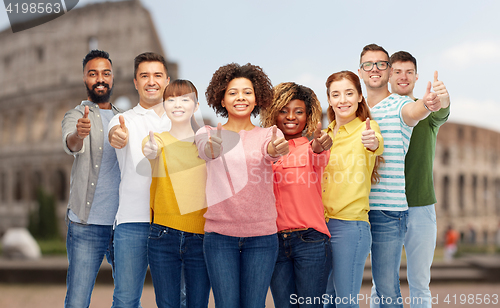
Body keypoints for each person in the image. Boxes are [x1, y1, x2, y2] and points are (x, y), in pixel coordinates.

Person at [194, 63, 289, 308]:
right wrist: (212, 148)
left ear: (257, 98)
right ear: (222, 100)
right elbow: (206, 150)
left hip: (262, 237)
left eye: (247, 92)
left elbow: (271, 152)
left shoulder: (270, 134)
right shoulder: (207, 132)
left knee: (254, 304)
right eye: (233, 92)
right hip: (219, 237)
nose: (241, 97)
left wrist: (274, 150)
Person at [357, 44, 441, 308]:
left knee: (404, 285)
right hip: (362, 207)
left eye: (381, 64)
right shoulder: (356, 110)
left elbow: (414, 113)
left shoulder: (403, 104)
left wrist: (428, 105)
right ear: (361, 71)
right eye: (369, 65)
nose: (375, 69)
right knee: (377, 286)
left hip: (398, 207)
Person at [260, 82, 332, 308]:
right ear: (274, 113)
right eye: (284, 110)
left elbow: (320, 155)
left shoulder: (311, 148)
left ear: (308, 116)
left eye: (298, 111)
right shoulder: (265, 151)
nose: (291, 117)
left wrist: (320, 146)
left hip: (310, 241)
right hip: (274, 243)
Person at [108, 52, 170, 308]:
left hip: (172, 222)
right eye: (144, 75)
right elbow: (115, 134)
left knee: (175, 300)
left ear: (167, 80)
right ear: (135, 82)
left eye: (157, 75)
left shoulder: (181, 120)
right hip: (132, 220)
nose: (151, 81)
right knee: (125, 299)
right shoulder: (123, 120)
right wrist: (118, 136)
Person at [389, 51, 450, 308]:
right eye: (398, 72)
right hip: (385, 206)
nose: (403, 77)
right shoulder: (377, 112)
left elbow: (442, 112)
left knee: (420, 284)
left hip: (421, 205)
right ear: (388, 76)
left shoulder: (426, 110)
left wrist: (443, 99)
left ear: (416, 76)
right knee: (384, 284)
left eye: (409, 72)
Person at [142, 80, 210, 308]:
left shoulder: (206, 145)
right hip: (163, 234)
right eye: (171, 99)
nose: (177, 104)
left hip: (200, 237)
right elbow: (150, 148)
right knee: (167, 304)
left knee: (197, 304)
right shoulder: (158, 140)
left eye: (185, 99)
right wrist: (150, 150)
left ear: (196, 105)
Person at [61, 49, 122, 308]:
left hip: (123, 225)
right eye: (93, 73)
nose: (100, 78)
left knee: (128, 298)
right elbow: (71, 144)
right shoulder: (76, 115)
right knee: (77, 301)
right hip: (86, 224)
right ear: (85, 78)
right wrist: (79, 134)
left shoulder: (124, 118)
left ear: (112, 77)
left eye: (105, 73)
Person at [322, 71, 384, 308]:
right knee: (326, 300)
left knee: (345, 302)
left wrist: (373, 141)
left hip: (349, 226)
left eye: (349, 93)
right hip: (320, 226)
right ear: (329, 99)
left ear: (359, 96)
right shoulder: (325, 135)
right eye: (336, 94)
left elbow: (376, 142)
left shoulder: (366, 129)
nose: (342, 100)